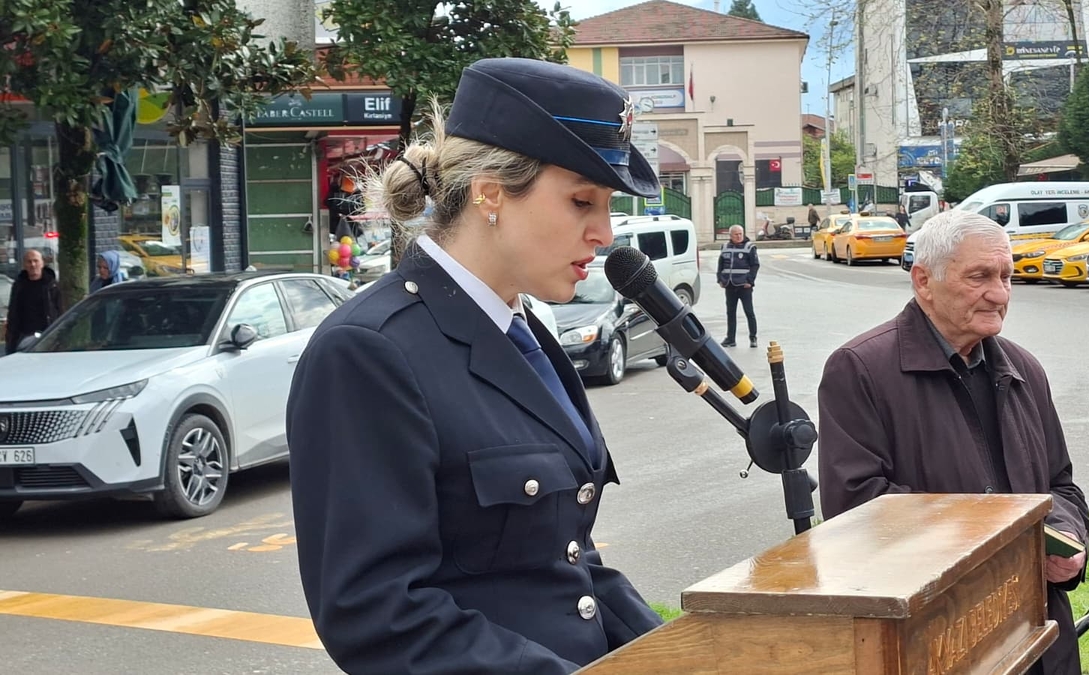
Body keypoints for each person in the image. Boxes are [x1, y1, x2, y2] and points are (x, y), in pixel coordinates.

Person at [285, 58, 663, 674]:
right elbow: (377, 614)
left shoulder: (522, 330)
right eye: (581, 201)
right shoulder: (370, 351)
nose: (604, 232)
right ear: (490, 193)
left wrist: (677, 656)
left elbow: (566, 562)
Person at [815, 211, 1089, 675]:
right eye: (979, 277)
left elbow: (1060, 486)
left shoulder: (1024, 369)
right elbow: (856, 509)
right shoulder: (860, 368)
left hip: (1039, 633)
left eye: (1006, 276)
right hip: (937, 639)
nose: (1000, 294)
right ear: (924, 281)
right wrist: (995, 547)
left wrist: (1070, 543)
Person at [5, 250, 62, 355]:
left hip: (48, 336)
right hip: (23, 337)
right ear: (24, 265)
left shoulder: (52, 285)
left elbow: (59, 311)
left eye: (36, 261)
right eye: (29, 261)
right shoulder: (19, 286)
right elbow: (13, 313)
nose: (33, 265)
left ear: (42, 263)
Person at [717, 225, 759, 348]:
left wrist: (750, 282)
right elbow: (720, 265)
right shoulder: (725, 247)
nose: (739, 236)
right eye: (736, 234)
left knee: (749, 312)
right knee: (730, 313)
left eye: (740, 234)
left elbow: (755, 265)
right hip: (730, 285)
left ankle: (753, 338)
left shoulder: (749, 247)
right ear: (730, 235)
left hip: (744, 286)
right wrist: (720, 279)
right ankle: (730, 339)